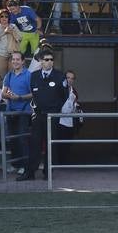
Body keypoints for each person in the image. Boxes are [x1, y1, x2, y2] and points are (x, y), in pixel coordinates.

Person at [25, 50, 70, 180]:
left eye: (51, 59)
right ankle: (30, 172)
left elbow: (64, 95)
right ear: (41, 61)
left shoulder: (59, 76)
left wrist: (55, 108)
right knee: (35, 144)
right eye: (46, 59)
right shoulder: (34, 75)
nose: (49, 61)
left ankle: (48, 172)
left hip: (52, 116)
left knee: (51, 144)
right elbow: (33, 93)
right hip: (38, 115)